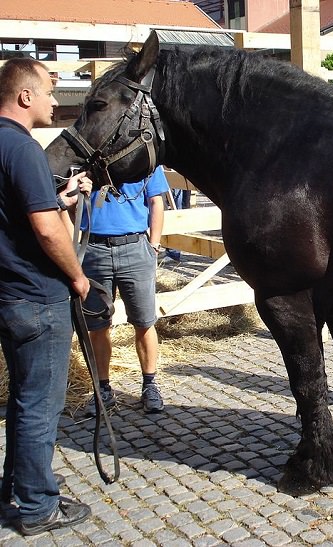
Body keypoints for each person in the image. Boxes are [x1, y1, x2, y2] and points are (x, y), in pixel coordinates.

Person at [0, 57, 92, 535]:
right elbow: (46, 230)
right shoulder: (23, 149)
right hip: (37, 296)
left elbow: (19, 213)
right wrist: (77, 276)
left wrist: (60, 200)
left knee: (21, 398)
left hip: (7, 293)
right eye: (49, 92)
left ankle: (15, 488)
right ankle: (37, 507)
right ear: (24, 97)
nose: (56, 101)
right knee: (41, 405)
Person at [81, 165, 169, 415]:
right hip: (95, 250)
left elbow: (156, 202)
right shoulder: (88, 163)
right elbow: (69, 207)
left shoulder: (147, 163)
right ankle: (103, 390)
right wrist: (79, 194)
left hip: (134, 247)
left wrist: (153, 245)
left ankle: (150, 385)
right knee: (98, 326)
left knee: (144, 321)